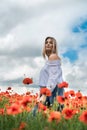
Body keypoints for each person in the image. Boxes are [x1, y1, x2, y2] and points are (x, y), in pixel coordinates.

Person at [32, 36, 64, 115]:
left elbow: (53, 78)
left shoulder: (53, 57)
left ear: (54, 46)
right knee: (44, 118)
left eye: (51, 43)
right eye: (46, 43)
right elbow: (45, 80)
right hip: (48, 90)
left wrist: (45, 94)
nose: (48, 44)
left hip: (53, 91)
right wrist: (40, 94)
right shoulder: (49, 60)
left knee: (34, 114)